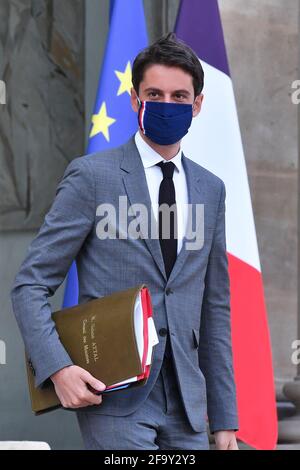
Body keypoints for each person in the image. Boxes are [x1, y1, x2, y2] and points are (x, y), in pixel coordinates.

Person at [10, 33, 239, 450]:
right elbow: (30, 285)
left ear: (198, 104)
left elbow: (215, 308)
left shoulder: (212, 189)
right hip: (115, 398)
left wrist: (224, 418)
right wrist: (58, 368)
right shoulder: (92, 177)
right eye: (154, 93)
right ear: (135, 99)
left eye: (179, 96)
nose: (167, 104)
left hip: (189, 406)